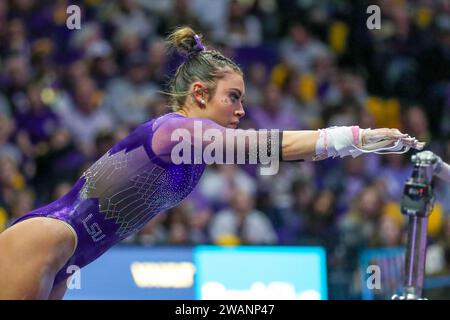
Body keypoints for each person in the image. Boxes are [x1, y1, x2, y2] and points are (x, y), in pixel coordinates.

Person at [0, 26, 425, 300]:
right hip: (49, 238)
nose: (241, 109)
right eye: (233, 97)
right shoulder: (175, 130)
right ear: (200, 94)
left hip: (72, 259)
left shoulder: (197, 147)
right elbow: (269, 146)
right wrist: (354, 138)